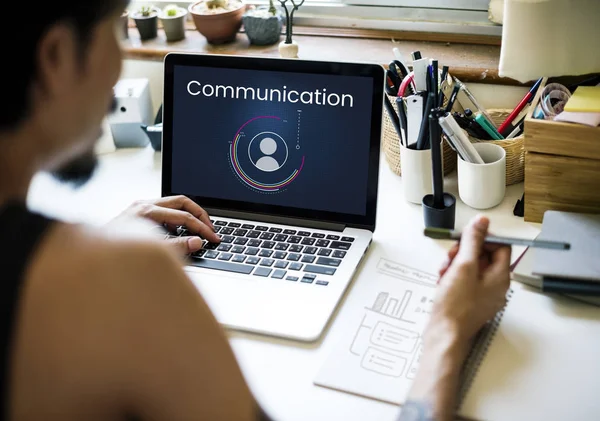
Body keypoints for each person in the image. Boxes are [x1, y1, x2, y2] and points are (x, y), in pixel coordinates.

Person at [0, 2, 512, 420]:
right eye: (113, 30)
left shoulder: (91, 264)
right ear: (57, 55)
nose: (117, 68)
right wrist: (447, 329)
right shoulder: (131, 275)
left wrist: (95, 248)